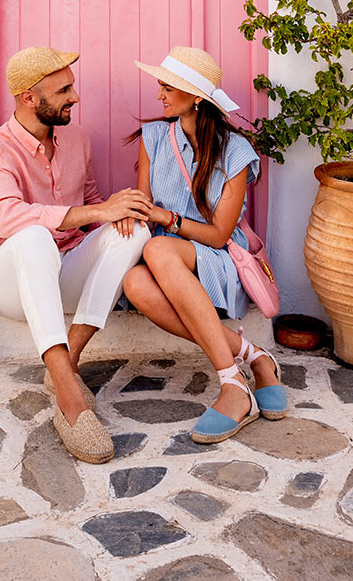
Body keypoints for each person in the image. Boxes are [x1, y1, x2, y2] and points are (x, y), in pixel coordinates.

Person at [0, 46, 152, 463]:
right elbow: (4, 217)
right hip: (8, 281)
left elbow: (89, 204)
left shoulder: (77, 140)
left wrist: (115, 216)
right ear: (28, 98)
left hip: (65, 272)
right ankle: (68, 393)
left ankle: (71, 356)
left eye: (72, 86)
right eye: (64, 90)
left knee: (134, 227)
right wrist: (96, 211)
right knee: (33, 234)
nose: (75, 97)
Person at [123, 46, 288, 443]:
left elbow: (217, 234)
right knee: (135, 284)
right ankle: (253, 356)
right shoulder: (153, 138)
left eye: (168, 88)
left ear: (197, 97)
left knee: (158, 250)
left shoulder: (236, 153)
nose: (160, 95)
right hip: (165, 257)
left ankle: (233, 385)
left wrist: (169, 220)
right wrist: (131, 210)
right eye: (160, 86)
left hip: (215, 258)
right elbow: (147, 207)